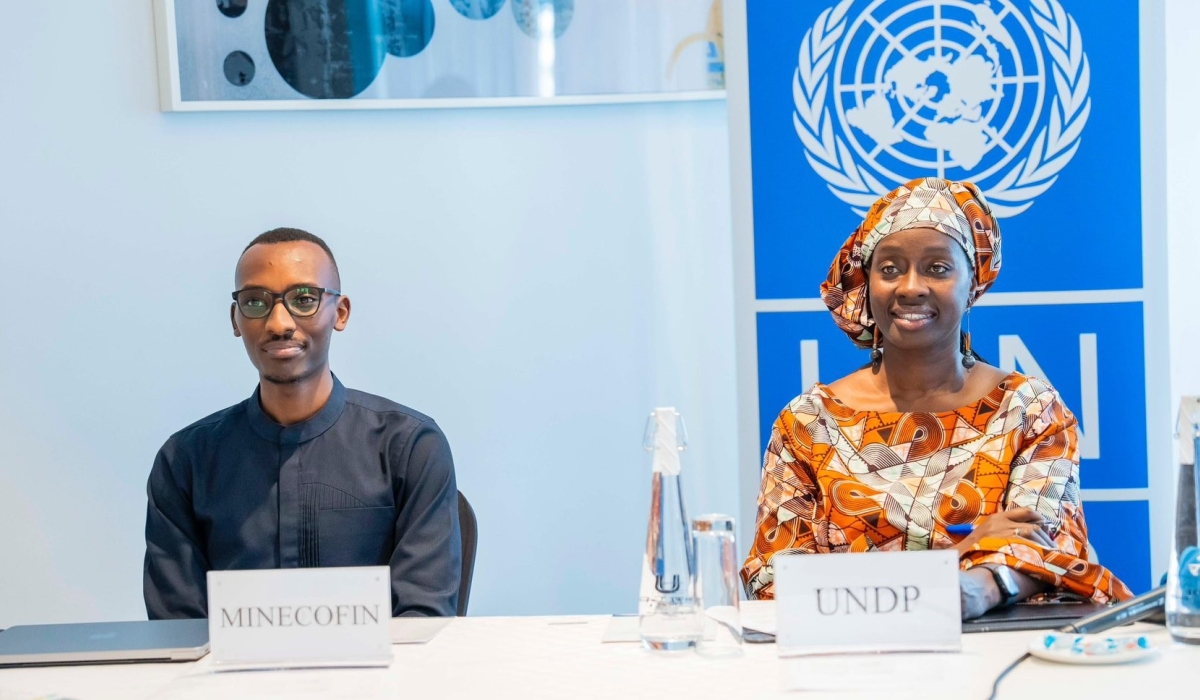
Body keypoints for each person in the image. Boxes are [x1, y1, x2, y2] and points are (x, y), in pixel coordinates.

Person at [741, 178, 1131, 618]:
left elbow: (1046, 551)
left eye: (937, 268)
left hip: (998, 660)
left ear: (973, 286)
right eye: (889, 269)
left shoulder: (1029, 411)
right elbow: (777, 583)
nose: (910, 286)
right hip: (849, 665)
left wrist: (974, 588)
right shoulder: (808, 424)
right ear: (866, 285)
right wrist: (959, 555)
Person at [144, 227, 461, 619]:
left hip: (377, 680)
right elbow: (179, 632)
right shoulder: (185, 463)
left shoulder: (410, 448)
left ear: (340, 312)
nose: (279, 323)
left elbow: (422, 620)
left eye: (304, 299)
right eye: (256, 302)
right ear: (236, 319)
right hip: (232, 681)